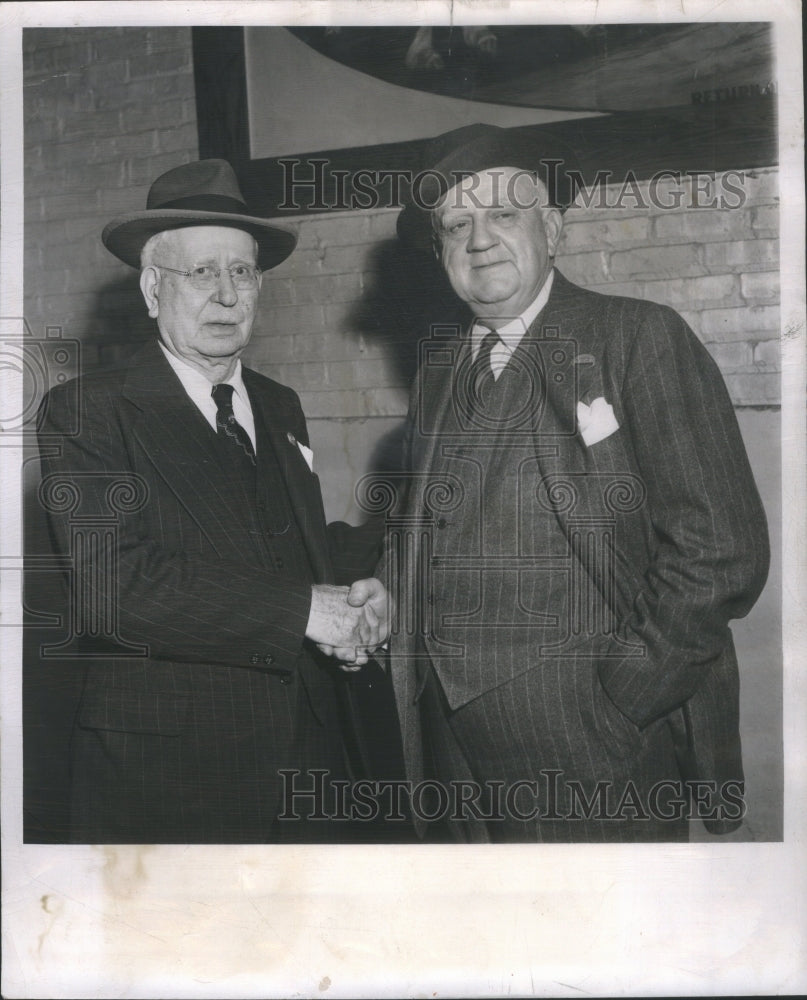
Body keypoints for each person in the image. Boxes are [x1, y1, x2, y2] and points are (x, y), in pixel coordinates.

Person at [386, 124, 770, 842]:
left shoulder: (639, 337)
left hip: (593, 747)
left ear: (552, 228)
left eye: (503, 215)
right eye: (455, 225)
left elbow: (722, 550)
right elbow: (426, 524)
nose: (478, 240)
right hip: (449, 746)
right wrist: (385, 587)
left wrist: (623, 698)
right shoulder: (439, 370)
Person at [35, 159, 389, 843]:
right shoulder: (87, 410)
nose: (226, 296)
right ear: (150, 289)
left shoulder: (279, 405)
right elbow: (114, 587)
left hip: (309, 761)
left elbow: (288, 546)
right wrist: (304, 612)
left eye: (243, 272)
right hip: (172, 775)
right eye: (202, 273)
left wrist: (357, 590)